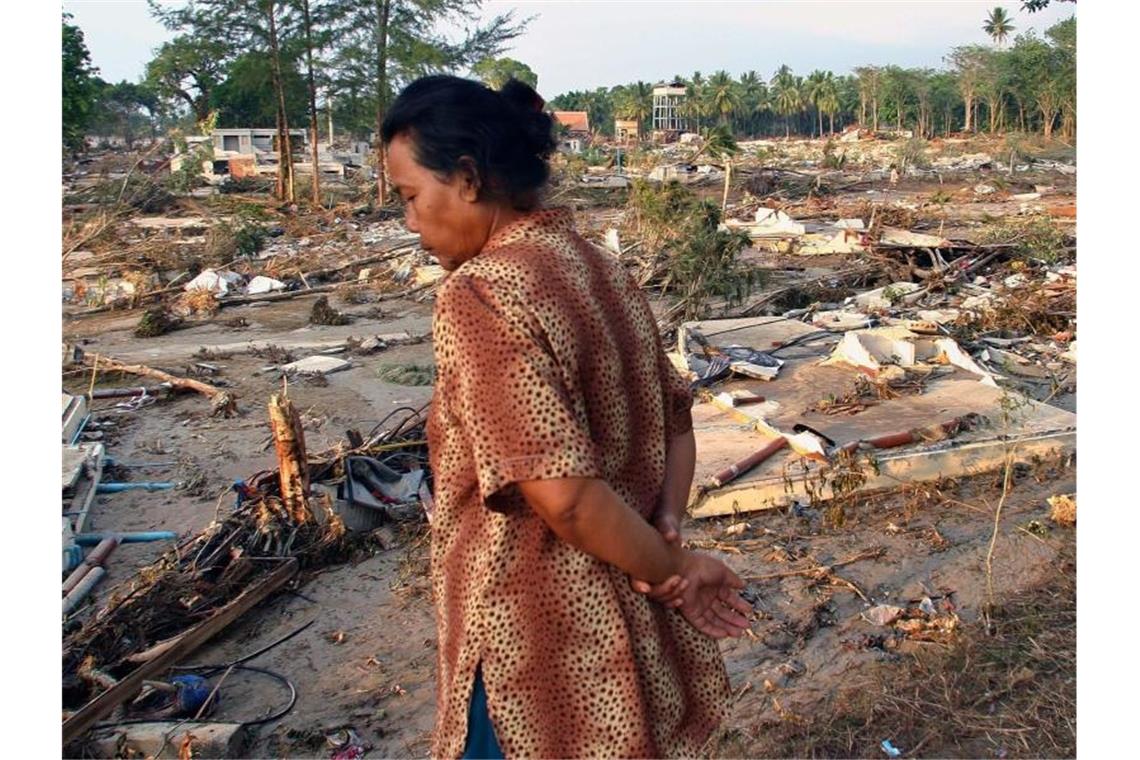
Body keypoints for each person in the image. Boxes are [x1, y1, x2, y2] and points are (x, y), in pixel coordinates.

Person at [381, 75, 752, 759]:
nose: (410, 222)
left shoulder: (482, 295)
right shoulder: (596, 266)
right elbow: (677, 420)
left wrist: (679, 568)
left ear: (466, 178)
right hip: (628, 627)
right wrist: (666, 531)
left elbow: (568, 498)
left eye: (410, 196)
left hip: (536, 639)